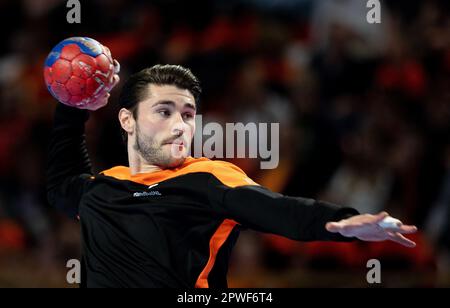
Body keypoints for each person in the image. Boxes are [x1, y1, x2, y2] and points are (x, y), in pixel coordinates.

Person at [46, 64, 417, 288]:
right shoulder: (102, 189)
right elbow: (63, 183)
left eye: (188, 115)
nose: (179, 126)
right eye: (164, 111)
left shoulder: (208, 178)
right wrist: (73, 106)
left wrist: (342, 221)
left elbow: (280, 210)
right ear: (127, 119)